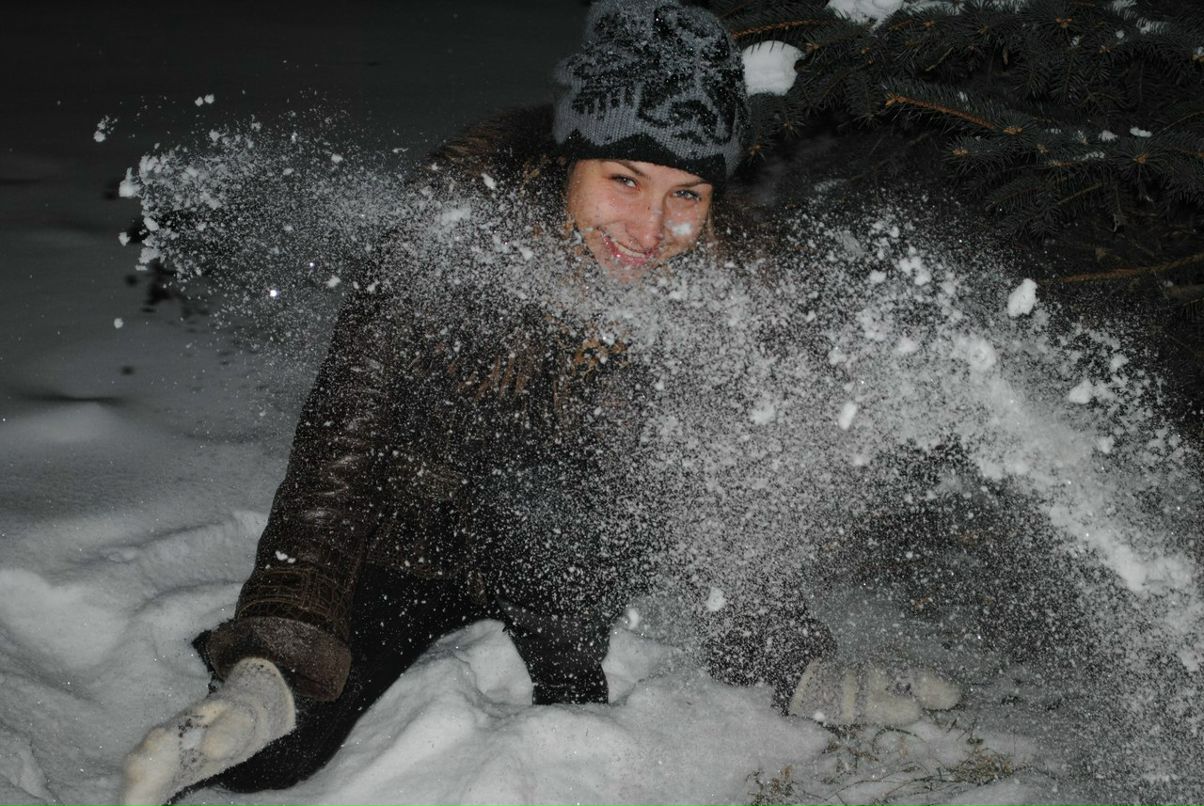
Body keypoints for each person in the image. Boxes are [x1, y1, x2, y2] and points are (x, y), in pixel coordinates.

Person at [120, 3, 960, 804]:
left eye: (686, 195)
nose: (649, 229)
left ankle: (571, 703)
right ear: (571, 157)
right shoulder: (451, 234)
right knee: (279, 753)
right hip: (421, 540)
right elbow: (340, 458)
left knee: (570, 664)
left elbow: (729, 488)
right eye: (625, 178)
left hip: (577, 555)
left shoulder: (726, 283)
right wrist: (273, 657)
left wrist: (792, 662)